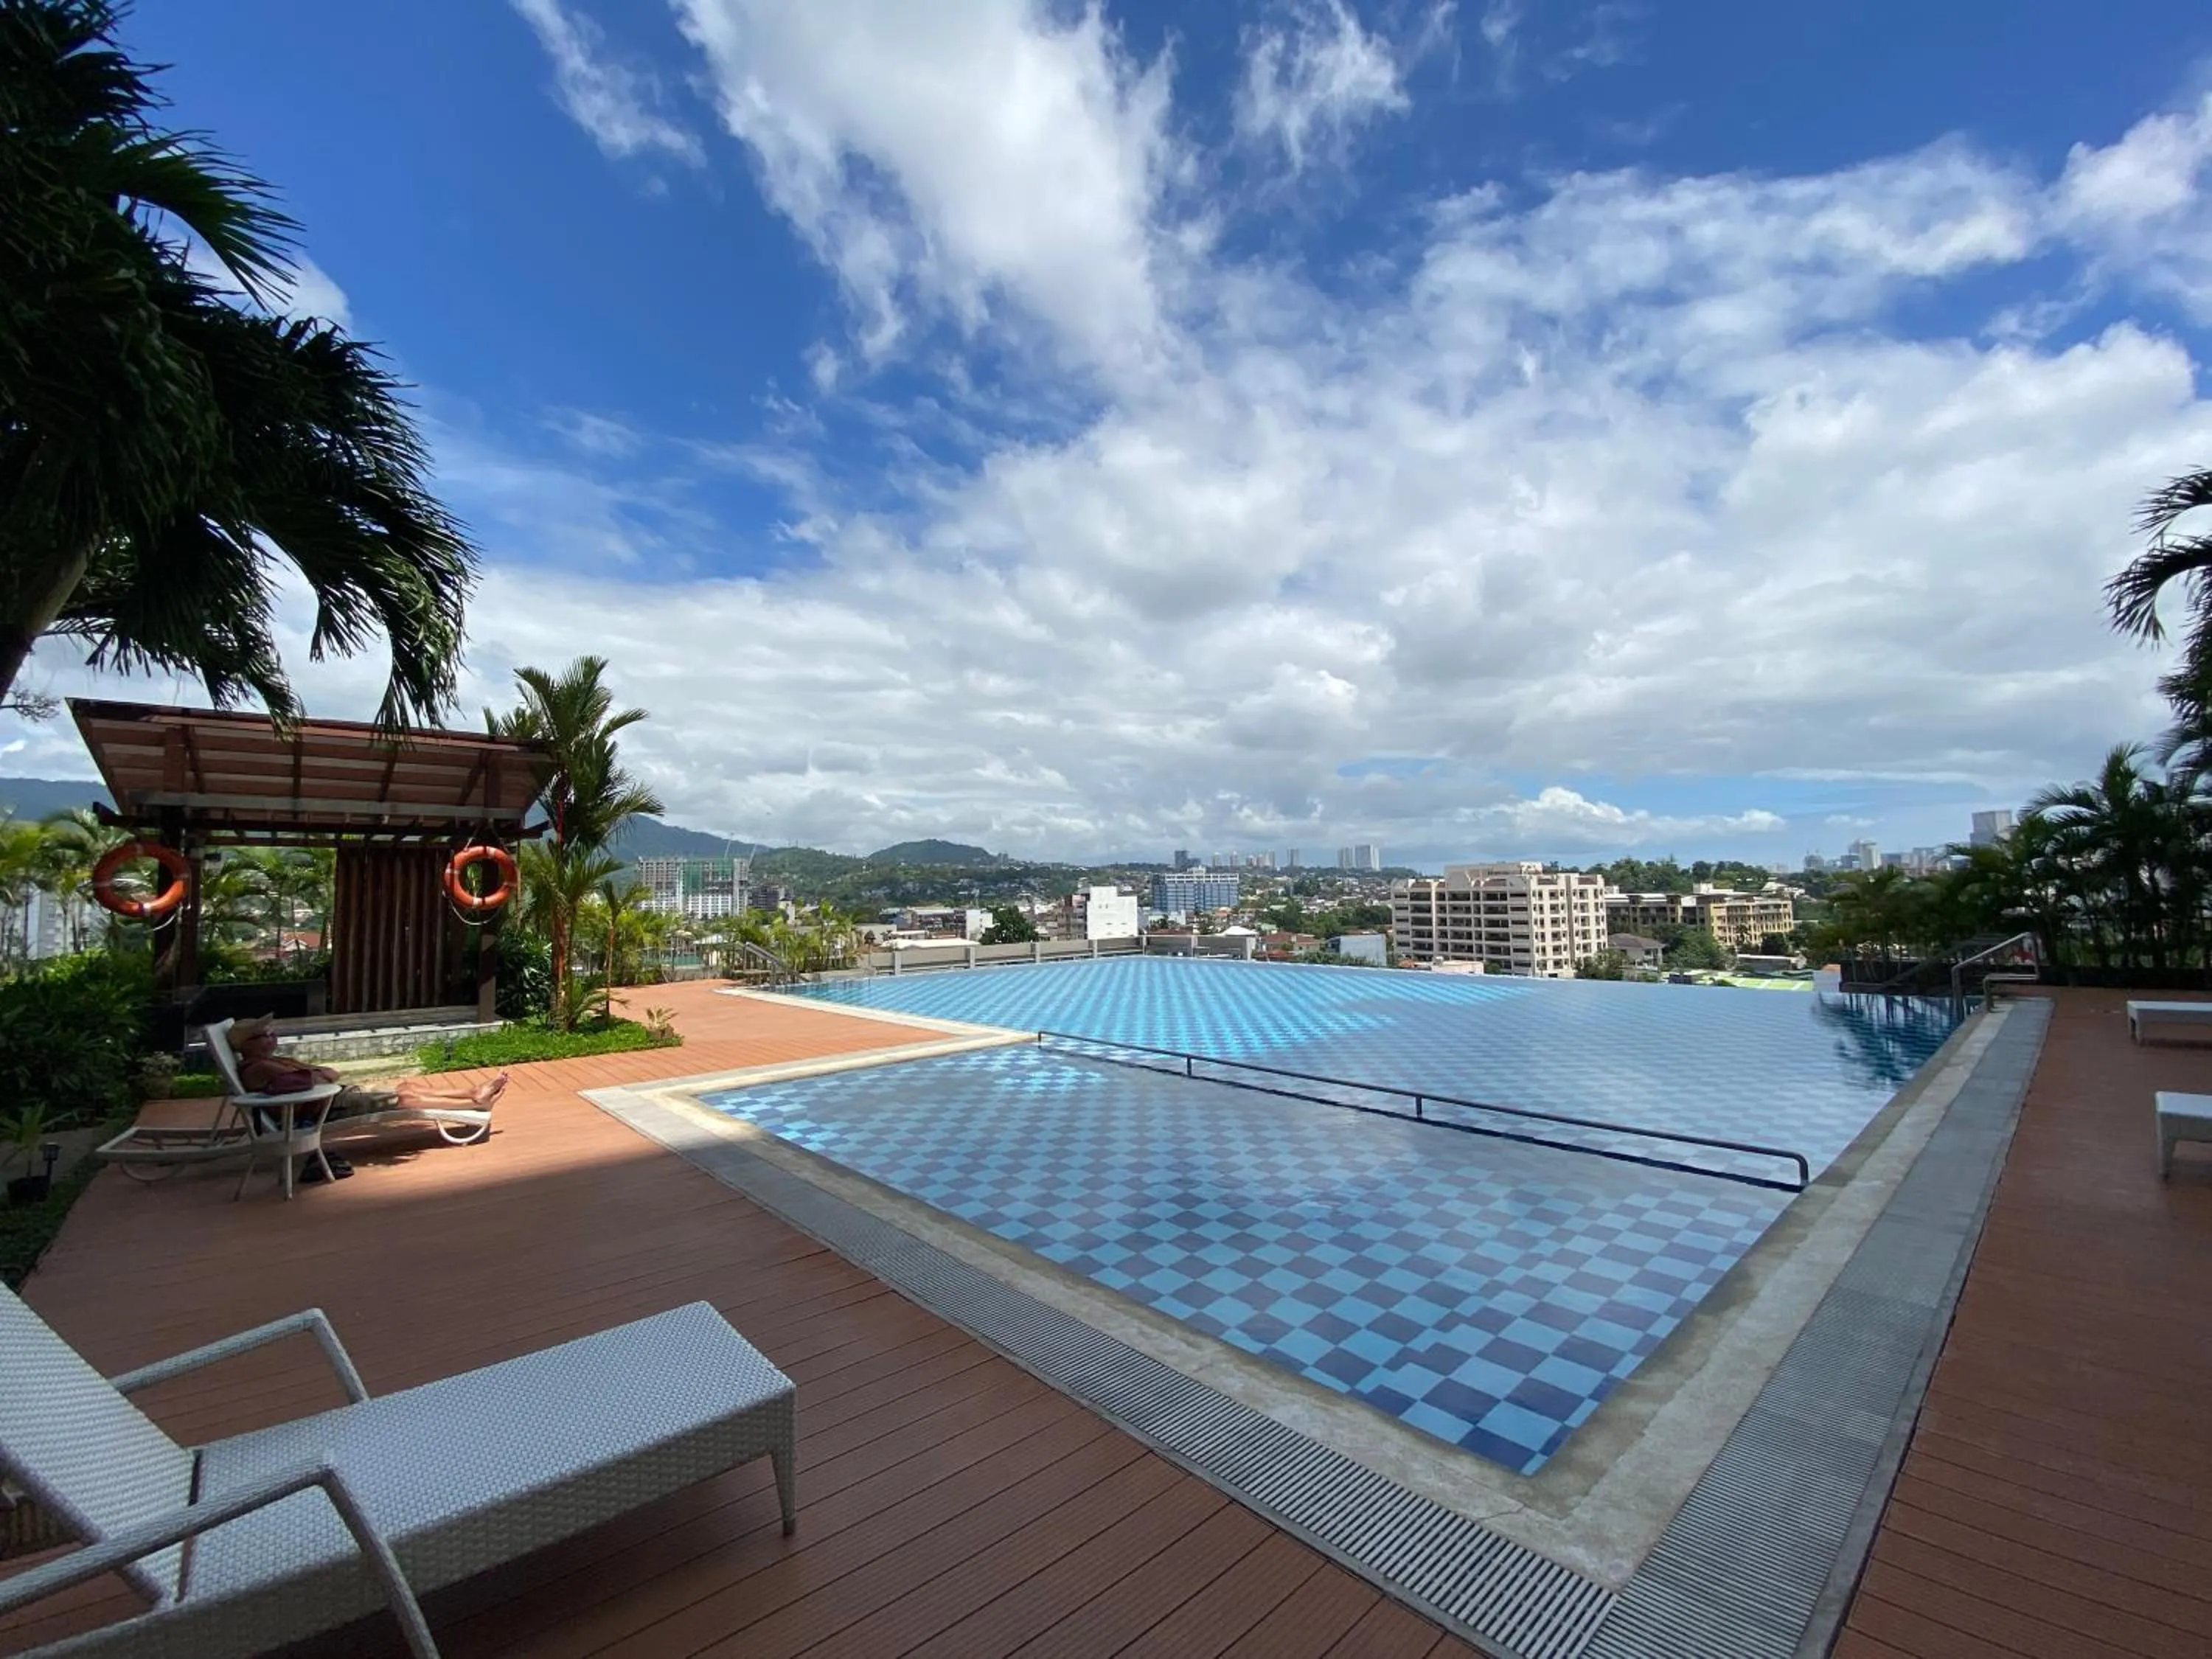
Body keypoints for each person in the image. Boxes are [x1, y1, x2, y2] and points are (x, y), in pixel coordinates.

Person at [226, 1015, 509, 1183]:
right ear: (247, 1045)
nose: (272, 1037)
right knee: (406, 1099)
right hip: (325, 1109)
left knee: (406, 1086)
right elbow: (316, 1079)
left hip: (334, 1099)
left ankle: (472, 1094)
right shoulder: (259, 1068)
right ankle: (473, 1103)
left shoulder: (269, 1061)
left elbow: (329, 1074)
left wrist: (318, 1075)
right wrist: (316, 1074)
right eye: (265, 1035)